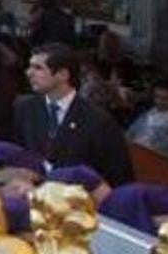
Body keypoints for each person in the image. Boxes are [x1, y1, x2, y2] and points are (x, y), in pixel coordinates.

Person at [13, 43, 134, 186]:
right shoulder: (24, 107)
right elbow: (14, 153)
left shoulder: (99, 121)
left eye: (38, 68)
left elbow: (118, 178)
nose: (28, 73)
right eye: (30, 66)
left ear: (63, 74)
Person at [128, 79, 168, 155]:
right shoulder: (149, 113)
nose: (159, 101)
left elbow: (164, 147)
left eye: (165, 99)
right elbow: (131, 131)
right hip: (135, 150)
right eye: (157, 97)